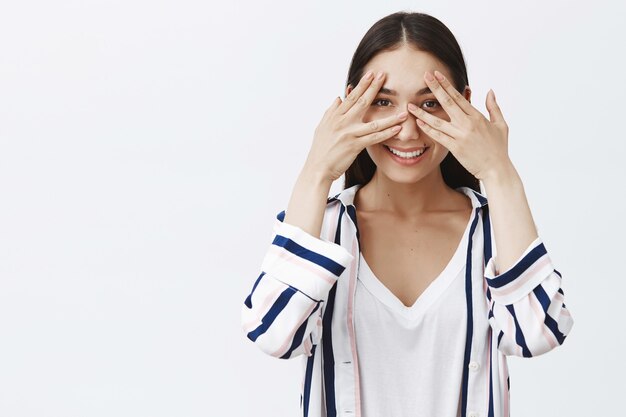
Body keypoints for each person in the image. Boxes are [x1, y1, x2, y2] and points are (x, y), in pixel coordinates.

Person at [241, 11, 574, 417]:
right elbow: (272, 334)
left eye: (429, 103)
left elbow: (538, 333)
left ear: (462, 106)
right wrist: (316, 172)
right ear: (353, 106)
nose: (407, 131)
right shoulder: (324, 228)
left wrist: (500, 174)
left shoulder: (494, 231)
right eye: (383, 102)